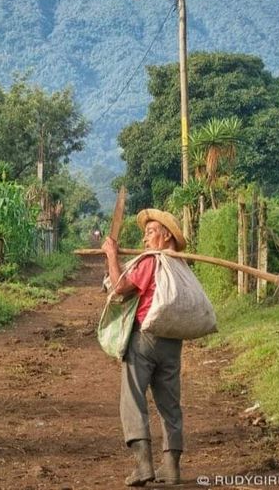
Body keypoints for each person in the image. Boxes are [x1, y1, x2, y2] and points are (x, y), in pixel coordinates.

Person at [101, 208, 186, 487]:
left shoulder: (152, 260)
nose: (145, 240)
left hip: (145, 338)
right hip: (172, 343)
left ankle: (143, 465)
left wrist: (112, 255)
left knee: (133, 398)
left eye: (150, 233)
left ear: (166, 237)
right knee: (170, 404)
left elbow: (120, 287)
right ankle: (171, 468)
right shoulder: (180, 265)